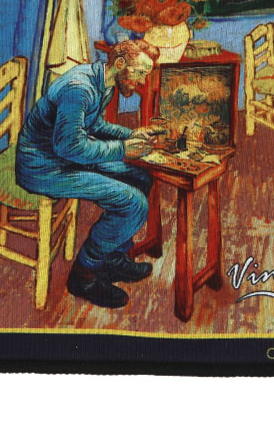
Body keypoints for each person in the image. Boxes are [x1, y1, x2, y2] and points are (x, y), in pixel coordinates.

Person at [15, 39, 166, 308]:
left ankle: (112, 258)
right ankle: (83, 275)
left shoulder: (104, 81)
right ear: (120, 63)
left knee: (140, 178)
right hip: (43, 167)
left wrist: (131, 135)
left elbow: (94, 125)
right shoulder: (79, 88)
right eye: (140, 73)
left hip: (63, 158)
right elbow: (69, 145)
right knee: (134, 203)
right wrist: (122, 149)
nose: (142, 81)